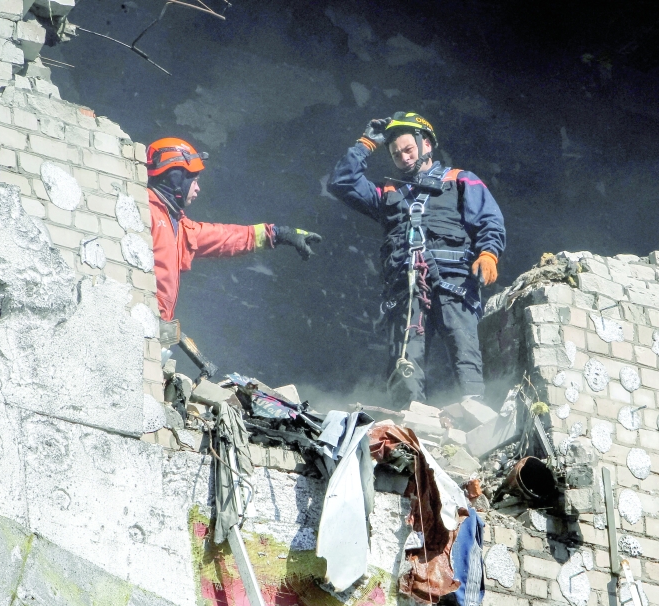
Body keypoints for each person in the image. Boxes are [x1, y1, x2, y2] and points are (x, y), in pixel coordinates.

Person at [328, 113, 507, 406]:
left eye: (408, 149)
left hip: (454, 282)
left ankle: (474, 410)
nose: (404, 157)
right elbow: (342, 183)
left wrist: (488, 254)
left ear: (427, 144)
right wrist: (366, 144)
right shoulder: (386, 193)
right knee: (405, 360)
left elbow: (489, 220)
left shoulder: (460, 179)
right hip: (406, 288)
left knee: (465, 348)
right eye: (396, 154)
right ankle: (408, 418)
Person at [146, 137, 322, 323]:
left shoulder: (176, 225)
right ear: (175, 178)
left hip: (151, 324)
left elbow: (224, 238)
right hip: (143, 323)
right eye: (194, 180)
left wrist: (278, 234)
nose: (198, 188)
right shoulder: (147, 212)